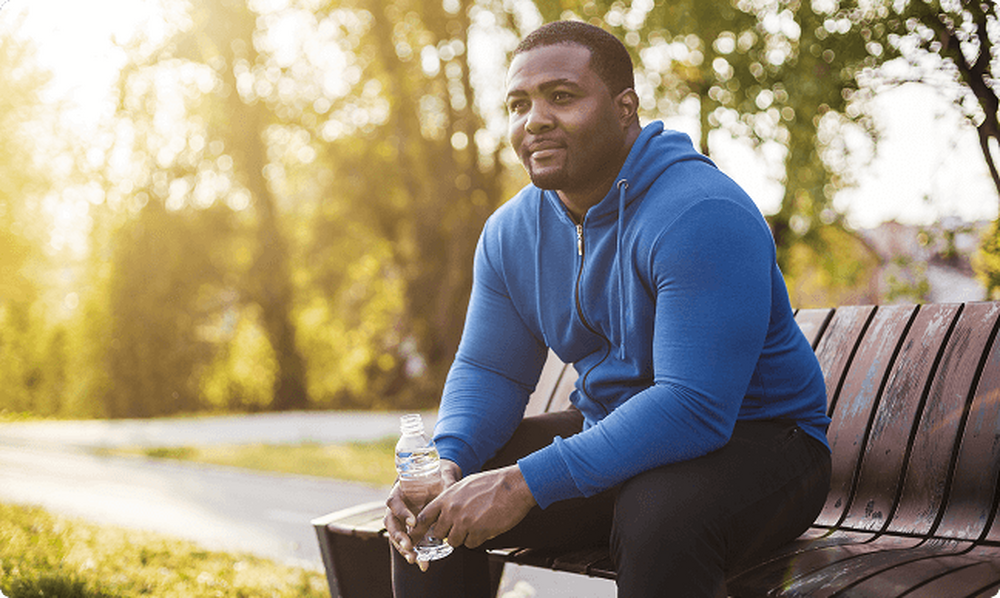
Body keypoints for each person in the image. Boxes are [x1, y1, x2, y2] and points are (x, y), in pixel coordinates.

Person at [385, 20, 832, 598]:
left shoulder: (701, 212)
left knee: (659, 516)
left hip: (763, 442)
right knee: (435, 504)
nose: (535, 119)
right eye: (519, 104)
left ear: (626, 108)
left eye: (561, 96)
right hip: (615, 427)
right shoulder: (511, 232)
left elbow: (693, 407)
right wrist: (448, 460)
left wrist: (523, 484)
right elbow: (489, 370)